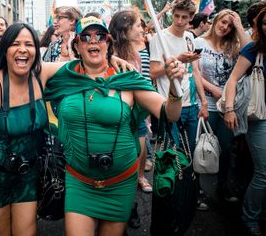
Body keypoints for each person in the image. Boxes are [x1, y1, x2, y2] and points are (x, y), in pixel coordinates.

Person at [0, 21, 133, 236]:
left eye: (29, 44)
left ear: (35, 51)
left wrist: (111, 58)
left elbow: (83, 63)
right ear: (5, 49)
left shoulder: (41, 74)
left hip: (28, 173)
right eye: (16, 44)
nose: (22, 49)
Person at [44, 16, 184, 236]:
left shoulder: (127, 79)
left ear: (108, 43)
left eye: (100, 36)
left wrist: (176, 89)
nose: (93, 41)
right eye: (85, 37)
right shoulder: (66, 76)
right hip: (79, 181)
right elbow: (30, 67)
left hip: (120, 182)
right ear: (77, 45)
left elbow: (170, 114)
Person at [223, 5, 266, 236]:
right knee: (265, 173)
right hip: (261, 119)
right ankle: (249, 217)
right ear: (260, 27)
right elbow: (232, 80)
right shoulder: (254, 49)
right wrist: (230, 109)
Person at [149, 0, 210, 210]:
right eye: (176, 16)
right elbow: (153, 73)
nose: (179, 21)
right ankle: (170, 197)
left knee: (190, 152)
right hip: (170, 105)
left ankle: (188, 195)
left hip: (191, 105)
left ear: (192, 18)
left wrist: (203, 101)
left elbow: (195, 72)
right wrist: (178, 60)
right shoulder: (159, 37)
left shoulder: (189, 39)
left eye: (185, 17)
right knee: (172, 153)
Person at [194, 9, 249, 202]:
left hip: (228, 104)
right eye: (223, 22)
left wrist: (239, 26)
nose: (224, 27)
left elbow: (250, 50)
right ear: (216, 20)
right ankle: (198, 191)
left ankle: (223, 186)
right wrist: (214, 90)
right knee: (203, 148)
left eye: (229, 25)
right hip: (207, 103)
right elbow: (196, 73)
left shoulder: (232, 46)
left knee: (225, 147)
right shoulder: (198, 42)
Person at [108, 10, 153, 196]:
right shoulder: (107, 52)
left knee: (141, 148)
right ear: (125, 29)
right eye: (137, 25)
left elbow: (142, 83)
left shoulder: (135, 53)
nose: (141, 29)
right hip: (115, 112)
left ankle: (140, 176)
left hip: (137, 111)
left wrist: (147, 114)